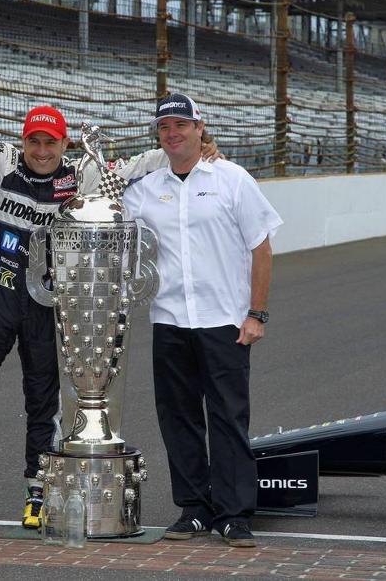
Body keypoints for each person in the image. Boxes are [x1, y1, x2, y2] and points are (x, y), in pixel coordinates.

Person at [0, 36, 219, 532]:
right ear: (24, 141)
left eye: (50, 142)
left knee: (44, 401)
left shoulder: (85, 175)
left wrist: (190, 148)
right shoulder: (1, 164)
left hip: (49, 309)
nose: (40, 151)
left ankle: (37, 489)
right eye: (33, 141)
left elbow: (139, 167)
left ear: (63, 145)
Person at [123, 92, 282, 547]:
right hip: (169, 320)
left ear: (199, 128)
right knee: (178, 418)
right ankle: (194, 508)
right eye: (164, 128)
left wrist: (256, 313)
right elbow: (103, 194)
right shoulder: (147, 189)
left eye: (181, 126)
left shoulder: (231, 179)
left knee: (229, 418)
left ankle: (234, 514)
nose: (173, 135)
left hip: (224, 322)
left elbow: (261, 248)